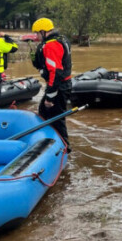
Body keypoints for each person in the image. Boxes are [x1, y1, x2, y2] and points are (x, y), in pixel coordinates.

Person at [31, 18, 73, 148]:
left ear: (43, 32)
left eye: (37, 33)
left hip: (58, 86)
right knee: (43, 112)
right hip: (60, 85)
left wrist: (50, 96)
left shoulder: (51, 45)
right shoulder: (61, 39)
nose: (36, 36)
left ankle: (64, 147)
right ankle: (48, 141)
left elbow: (55, 72)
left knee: (57, 118)